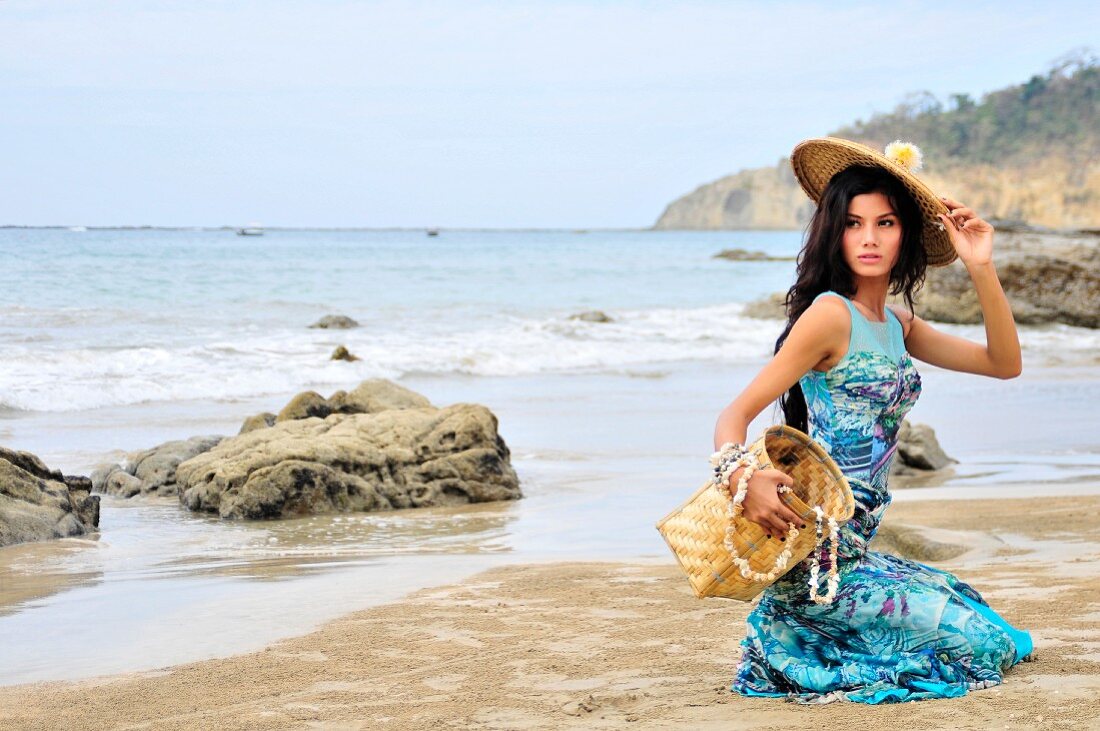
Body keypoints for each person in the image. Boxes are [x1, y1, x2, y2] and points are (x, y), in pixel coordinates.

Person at [712, 137, 1033, 704]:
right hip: (818, 558)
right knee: (983, 647)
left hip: (858, 549)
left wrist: (980, 266)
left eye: (885, 223)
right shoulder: (830, 315)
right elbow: (733, 415)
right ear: (834, 232)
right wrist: (744, 476)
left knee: (998, 629)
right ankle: (800, 629)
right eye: (854, 223)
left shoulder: (897, 325)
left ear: (904, 232)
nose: (868, 238)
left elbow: (1003, 364)